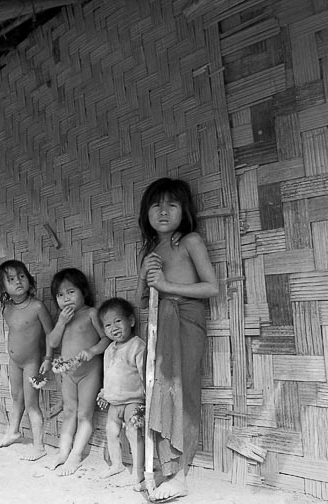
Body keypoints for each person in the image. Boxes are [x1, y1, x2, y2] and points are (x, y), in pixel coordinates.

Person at [135, 178, 219, 502]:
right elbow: (142, 301)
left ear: (184, 210)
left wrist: (168, 285)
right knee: (160, 393)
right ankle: (163, 466)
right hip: (159, 327)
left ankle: (180, 473)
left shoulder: (190, 241)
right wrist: (144, 274)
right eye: (156, 204)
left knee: (183, 393)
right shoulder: (150, 251)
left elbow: (211, 288)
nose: (164, 211)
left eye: (172, 204)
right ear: (147, 213)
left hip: (186, 323)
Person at [47, 268, 111, 476]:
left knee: (84, 414)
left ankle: (75, 455)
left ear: (83, 292)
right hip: (68, 374)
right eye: (60, 295)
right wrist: (61, 322)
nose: (66, 298)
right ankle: (62, 451)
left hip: (89, 373)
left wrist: (92, 351)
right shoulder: (62, 319)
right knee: (69, 412)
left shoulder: (91, 313)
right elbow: (52, 342)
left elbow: (106, 339)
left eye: (71, 292)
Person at [0, 260, 54, 461]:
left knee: (31, 403)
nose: (18, 281)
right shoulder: (7, 309)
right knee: (15, 396)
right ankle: (13, 430)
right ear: (4, 288)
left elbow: (50, 334)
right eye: (11, 279)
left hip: (31, 362)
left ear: (29, 279)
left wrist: (47, 358)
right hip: (14, 361)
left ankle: (39, 446)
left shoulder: (37, 306)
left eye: (21, 276)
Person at [96, 297, 146, 490]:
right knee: (111, 431)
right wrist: (103, 393)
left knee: (133, 433)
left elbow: (144, 374)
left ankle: (138, 472)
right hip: (114, 401)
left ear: (131, 321)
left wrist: (147, 400)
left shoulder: (137, 346)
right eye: (107, 325)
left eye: (118, 321)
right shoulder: (109, 349)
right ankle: (116, 464)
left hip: (134, 400)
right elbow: (108, 375)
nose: (113, 327)